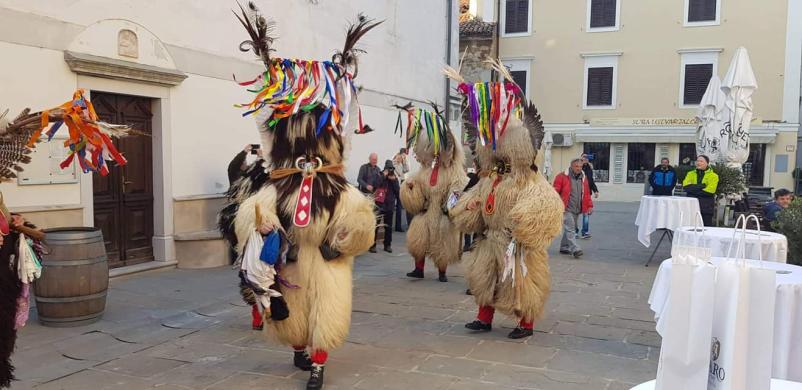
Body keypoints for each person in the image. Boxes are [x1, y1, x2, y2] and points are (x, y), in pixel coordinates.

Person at [223, 7, 380, 389]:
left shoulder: (340, 189)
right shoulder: (275, 186)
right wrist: (259, 224)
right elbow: (248, 217)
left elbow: (361, 223)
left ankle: (319, 365)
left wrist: (348, 234)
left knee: (326, 313)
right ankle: (298, 348)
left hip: (327, 264)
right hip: (290, 263)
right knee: (292, 315)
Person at [449, 70, 563, 339]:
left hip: (516, 246)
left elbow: (547, 206)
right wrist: (468, 207)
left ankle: (526, 324)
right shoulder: (490, 179)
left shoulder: (529, 181)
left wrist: (525, 223)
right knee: (484, 278)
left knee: (521, 283)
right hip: (490, 240)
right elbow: (472, 203)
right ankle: (483, 318)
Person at [224, 145, 267, 332]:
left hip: (257, 229)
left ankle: (260, 314)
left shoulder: (255, 179)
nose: (246, 163)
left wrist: (258, 156)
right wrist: (247, 151)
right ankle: (258, 314)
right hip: (249, 232)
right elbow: (233, 166)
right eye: (244, 162)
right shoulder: (240, 179)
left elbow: (267, 170)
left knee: (256, 273)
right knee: (251, 272)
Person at [553, 159, 594, 258]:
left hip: (577, 209)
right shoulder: (561, 176)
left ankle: (564, 246)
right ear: (571, 166)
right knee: (571, 228)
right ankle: (575, 249)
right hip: (565, 208)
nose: (579, 168)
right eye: (576, 166)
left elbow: (587, 193)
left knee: (571, 227)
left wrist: (589, 206)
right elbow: (554, 192)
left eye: (580, 167)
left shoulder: (583, 178)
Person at [683, 155, 719, 226]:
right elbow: (686, 187)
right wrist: (702, 186)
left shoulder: (714, 176)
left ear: (707, 163)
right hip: (691, 206)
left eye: (701, 161)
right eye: (697, 161)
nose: (698, 163)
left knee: (705, 228)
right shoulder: (690, 174)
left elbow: (710, 192)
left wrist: (692, 189)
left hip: (706, 207)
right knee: (690, 227)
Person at [372, 160, 400, 253]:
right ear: (385, 168)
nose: (390, 171)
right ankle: (372, 245)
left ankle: (387, 245)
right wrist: (384, 175)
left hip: (389, 205)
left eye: (391, 169)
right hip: (379, 204)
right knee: (375, 226)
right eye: (389, 168)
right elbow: (375, 185)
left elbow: (398, 191)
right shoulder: (379, 175)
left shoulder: (394, 178)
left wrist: (394, 180)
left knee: (388, 227)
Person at [579, 154, 599, 239]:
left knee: (586, 213)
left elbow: (591, 181)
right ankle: (575, 232)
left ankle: (585, 232)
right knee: (575, 214)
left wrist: (596, 191)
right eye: (584, 157)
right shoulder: (577, 167)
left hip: (587, 194)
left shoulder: (589, 169)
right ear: (581, 158)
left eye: (587, 157)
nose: (585, 159)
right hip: (578, 193)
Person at [392, 148, 410, 232]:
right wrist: (397, 160)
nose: (403, 157)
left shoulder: (402, 163)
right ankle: (393, 225)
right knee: (394, 205)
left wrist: (405, 161)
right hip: (394, 185)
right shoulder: (394, 162)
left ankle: (398, 226)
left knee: (399, 205)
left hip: (400, 184)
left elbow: (407, 170)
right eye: (403, 156)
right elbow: (397, 171)